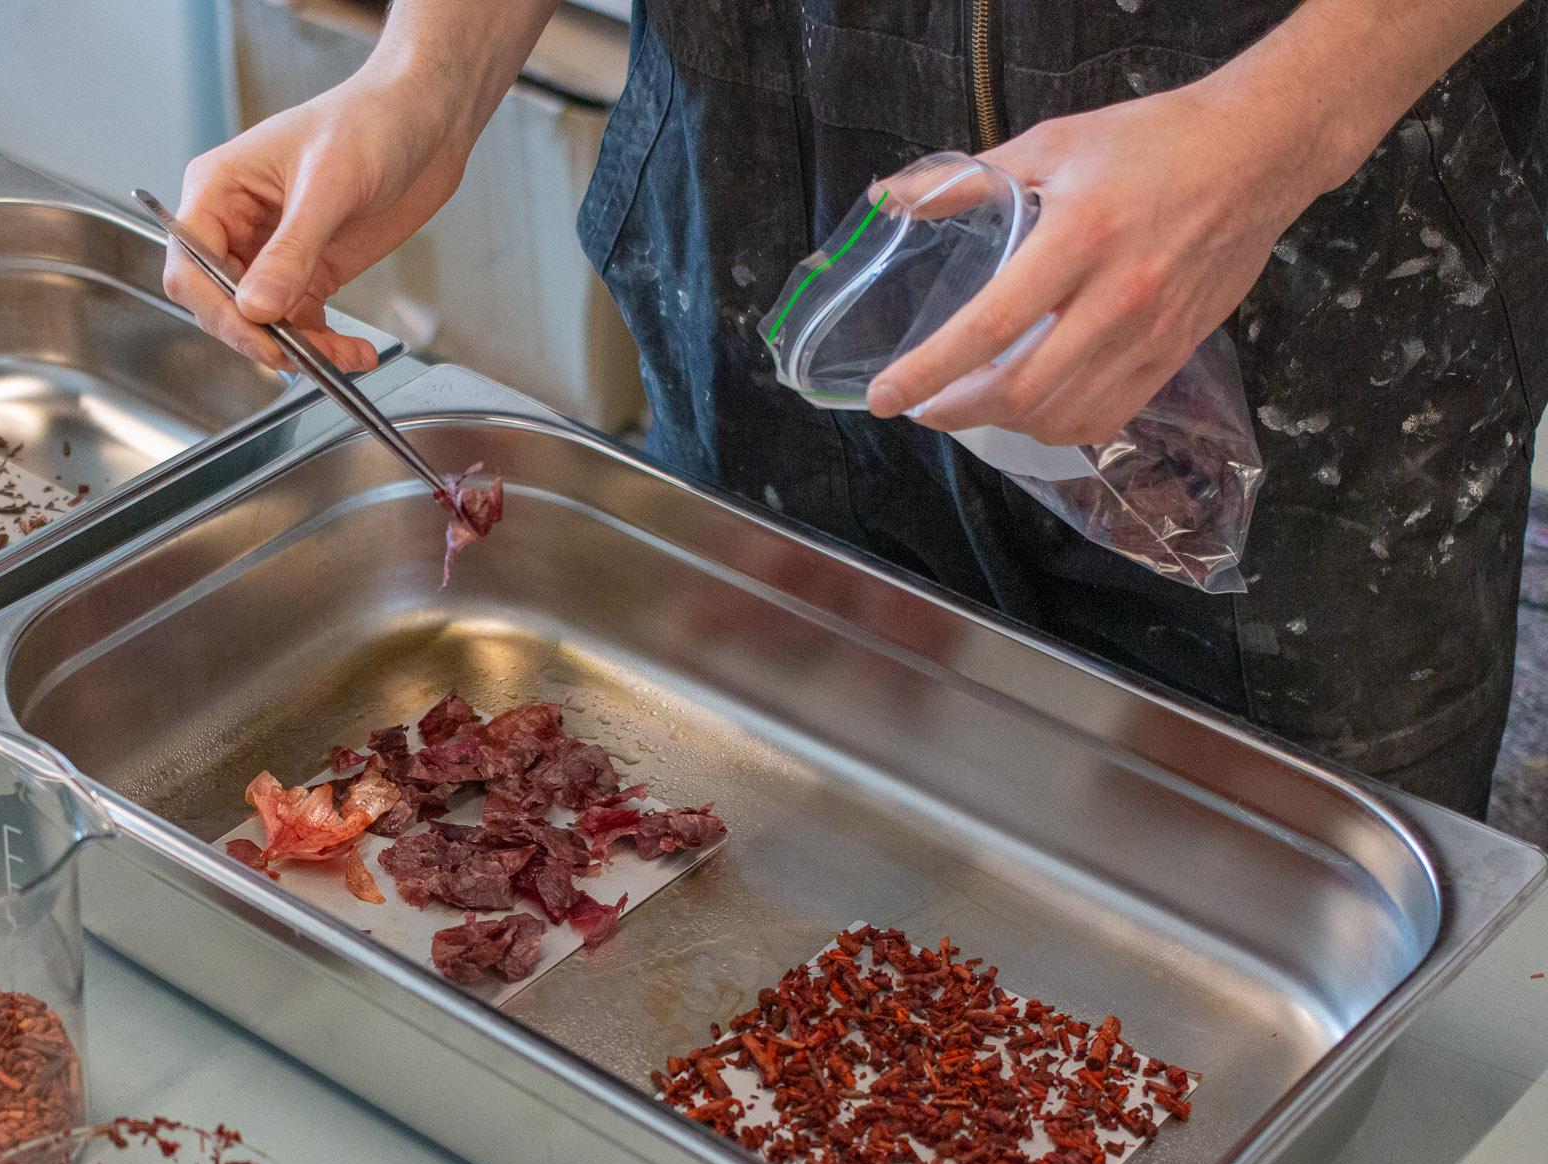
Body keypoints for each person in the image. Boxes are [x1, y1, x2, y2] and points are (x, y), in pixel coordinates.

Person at [166, 0, 1548, 818]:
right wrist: (430, 68)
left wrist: (1280, 129)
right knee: (756, 848)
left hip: (1310, 285)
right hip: (772, 236)